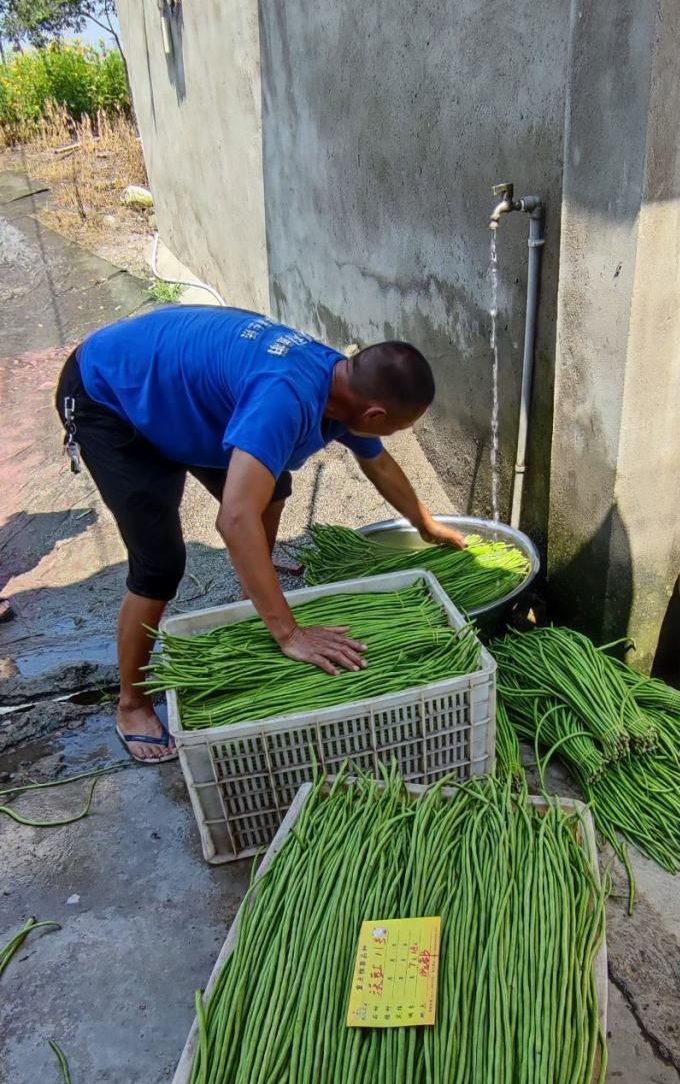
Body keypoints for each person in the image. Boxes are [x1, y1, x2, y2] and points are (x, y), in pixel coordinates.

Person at [56, 306, 464, 763]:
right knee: (160, 565)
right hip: (111, 398)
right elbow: (233, 519)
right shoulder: (285, 398)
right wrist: (290, 633)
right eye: (400, 426)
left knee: (271, 489)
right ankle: (131, 704)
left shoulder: (342, 381)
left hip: (180, 400)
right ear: (372, 413)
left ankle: (257, 585)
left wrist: (425, 524)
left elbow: (379, 463)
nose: (396, 435)